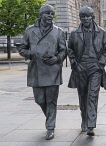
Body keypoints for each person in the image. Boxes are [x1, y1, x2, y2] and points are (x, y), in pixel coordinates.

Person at [19, 4, 67, 140]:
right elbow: (22, 48)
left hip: (52, 70)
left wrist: (57, 58)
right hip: (36, 69)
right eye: (47, 14)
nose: (50, 16)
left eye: (52, 14)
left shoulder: (58, 31)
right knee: (39, 99)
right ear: (41, 15)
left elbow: (64, 50)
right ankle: (50, 118)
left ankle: (50, 127)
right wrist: (31, 53)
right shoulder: (29, 30)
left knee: (51, 101)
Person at [67, 6, 106, 136]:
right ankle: (84, 120)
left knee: (92, 95)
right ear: (80, 18)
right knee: (83, 96)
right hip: (80, 68)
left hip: (95, 68)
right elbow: (70, 50)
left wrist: (100, 63)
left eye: (88, 16)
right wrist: (75, 64)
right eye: (83, 16)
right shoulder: (75, 33)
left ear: (92, 17)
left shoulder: (101, 32)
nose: (85, 19)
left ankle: (91, 124)